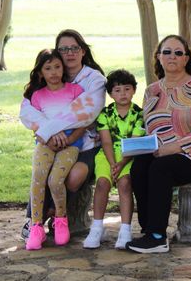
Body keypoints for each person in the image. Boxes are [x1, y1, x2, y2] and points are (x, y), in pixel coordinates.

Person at [126, 35, 191, 254]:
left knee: (161, 168)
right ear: (159, 56)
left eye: (178, 52)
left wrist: (176, 147)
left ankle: (157, 237)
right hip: (159, 150)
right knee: (140, 165)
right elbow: (149, 127)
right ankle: (149, 230)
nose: (172, 56)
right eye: (167, 51)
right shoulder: (152, 91)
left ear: (186, 58)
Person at [20, 29, 106, 237]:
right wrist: (47, 133)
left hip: (84, 144)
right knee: (43, 170)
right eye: (63, 49)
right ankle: (34, 220)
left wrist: (51, 130)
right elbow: (27, 109)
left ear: (83, 51)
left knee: (73, 177)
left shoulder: (95, 79)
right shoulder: (52, 72)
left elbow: (86, 112)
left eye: (74, 48)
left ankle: (52, 215)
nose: (69, 53)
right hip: (49, 141)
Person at [22, 49, 87, 250]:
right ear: (40, 73)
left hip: (70, 144)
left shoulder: (75, 91)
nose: (53, 72)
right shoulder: (37, 96)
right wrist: (50, 135)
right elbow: (33, 122)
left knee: (55, 180)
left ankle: (60, 220)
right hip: (45, 143)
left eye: (57, 67)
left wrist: (69, 139)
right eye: (48, 68)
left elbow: (84, 118)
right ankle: (36, 226)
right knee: (38, 176)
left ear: (63, 68)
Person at [83, 69, 145, 250]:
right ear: (110, 94)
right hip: (108, 155)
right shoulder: (105, 114)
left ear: (134, 90)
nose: (123, 94)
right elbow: (106, 141)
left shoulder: (139, 115)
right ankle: (97, 228)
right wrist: (112, 164)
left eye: (127, 89)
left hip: (130, 154)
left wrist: (122, 164)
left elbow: (134, 142)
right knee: (102, 183)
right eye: (117, 90)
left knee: (125, 183)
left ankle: (125, 229)